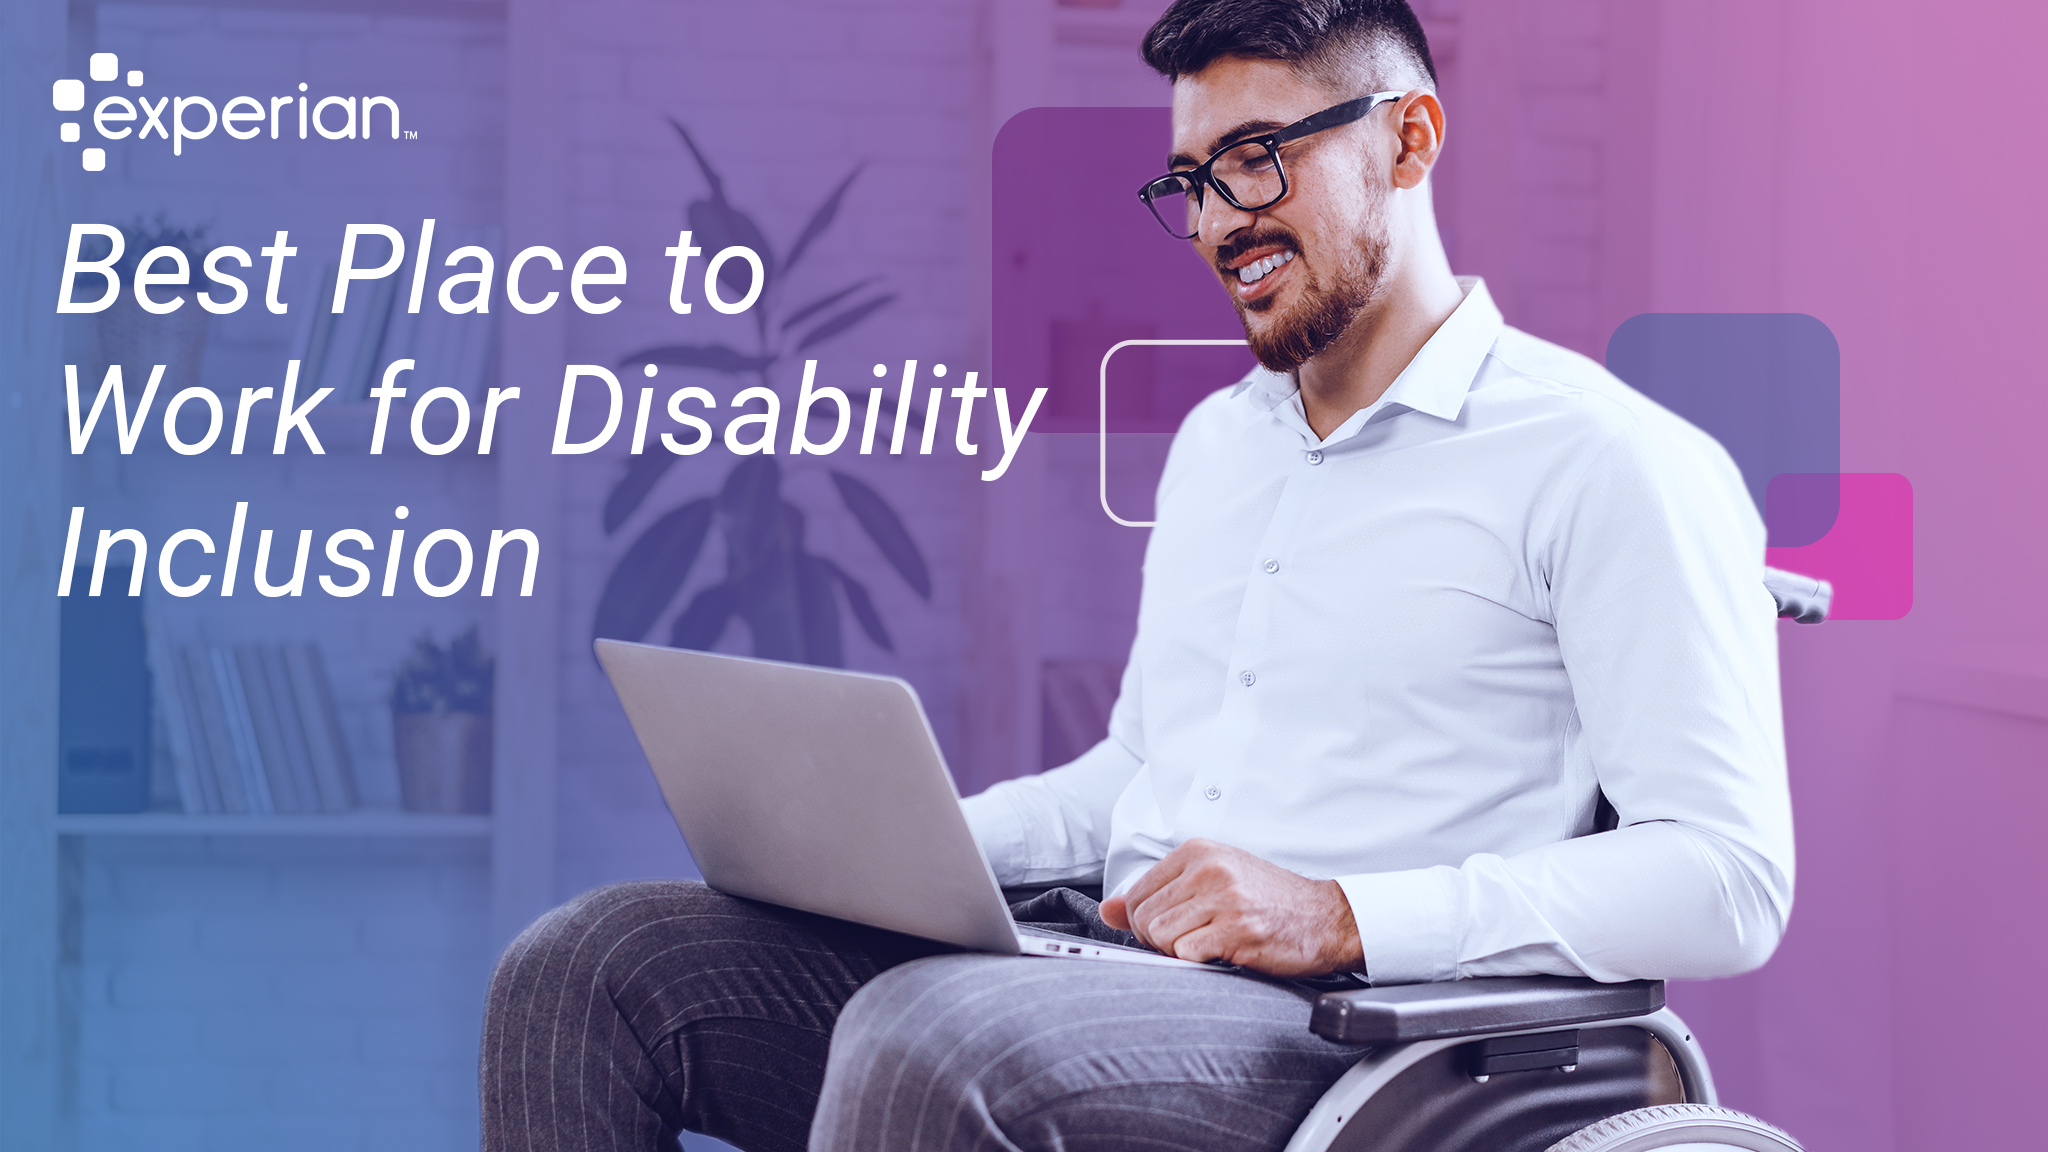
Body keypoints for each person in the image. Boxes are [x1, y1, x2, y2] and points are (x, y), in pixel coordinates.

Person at [479, 2, 1793, 1149]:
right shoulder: (1223, 446)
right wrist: (902, 845)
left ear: (1410, 138)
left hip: (1354, 1039)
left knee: (933, 1041)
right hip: (1109, 967)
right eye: (1193, 179)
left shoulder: (1610, 461)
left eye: (1260, 161)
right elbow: (1143, 772)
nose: (1222, 219)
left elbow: (1729, 881)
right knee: (591, 967)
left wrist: (1339, 912)